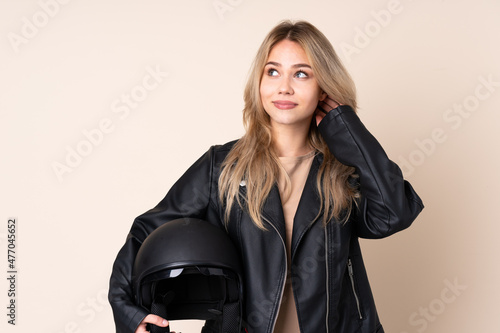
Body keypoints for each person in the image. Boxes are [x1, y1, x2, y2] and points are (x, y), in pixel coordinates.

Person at [109, 20, 424, 333]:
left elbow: (394, 214)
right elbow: (145, 233)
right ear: (259, 82)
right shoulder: (222, 167)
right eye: (272, 71)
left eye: (301, 73)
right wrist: (129, 313)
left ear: (324, 88)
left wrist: (348, 131)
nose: (284, 86)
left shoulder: (342, 171)